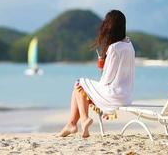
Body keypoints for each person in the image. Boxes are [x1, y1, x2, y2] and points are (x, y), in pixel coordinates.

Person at [57, 10, 135, 138]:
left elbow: (107, 78)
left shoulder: (114, 48)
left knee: (79, 83)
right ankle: (71, 124)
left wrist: (102, 68)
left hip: (114, 95)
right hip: (127, 95)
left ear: (110, 27)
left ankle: (83, 120)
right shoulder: (129, 45)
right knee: (81, 87)